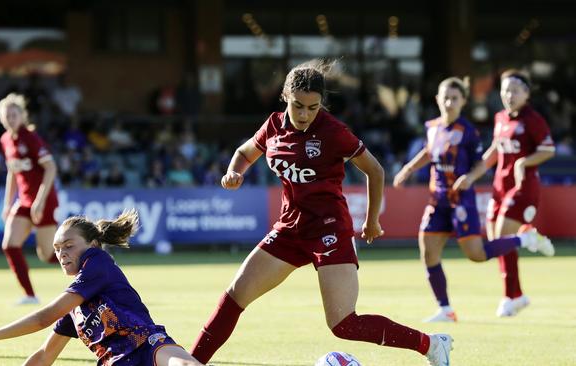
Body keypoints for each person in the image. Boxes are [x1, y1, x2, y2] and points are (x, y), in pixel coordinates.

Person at [189, 59, 453, 366]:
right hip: (290, 229)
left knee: (344, 324)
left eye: (313, 107)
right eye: (298, 106)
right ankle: (192, 362)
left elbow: (375, 171)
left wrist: (371, 221)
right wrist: (234, 173)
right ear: (285, 98)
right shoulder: (273, 125)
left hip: (330, 229)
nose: (304, 115)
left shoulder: (333, 131)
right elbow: (244, 153)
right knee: (235, 296)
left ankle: (433, 345)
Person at [393, 77, 554, 323]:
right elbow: (429, 151)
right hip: (437, 200)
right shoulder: (433, 126)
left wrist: (469, 178)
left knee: (476, 254)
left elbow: (482, 162)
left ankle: (524, 240)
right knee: (427, 251)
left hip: (461, 201)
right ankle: (446, 309)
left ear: (464, 101)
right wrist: (408, 168)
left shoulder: (468, 131)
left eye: (455, 98)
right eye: (444, 97)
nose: (449, 102)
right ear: (437, 99)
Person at [0, 210, 203, 366]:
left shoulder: (98, 262)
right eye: (57, 249)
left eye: (69, 246)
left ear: (93, 244)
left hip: (147, 344)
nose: (62, 254)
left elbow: (43, 317)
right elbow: (44, 357)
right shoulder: (74, 309)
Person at [453, 69, 556, 317]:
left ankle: (511, 296)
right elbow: (494, 152)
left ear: (526, 94)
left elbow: (548, 150)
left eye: (515, 90)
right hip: (500, 187)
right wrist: (471, 176)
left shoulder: (533, 119)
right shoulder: (500, 118)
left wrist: (523, 163)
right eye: (505, 90)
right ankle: (518, 288)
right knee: (495, 242)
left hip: (523, 187)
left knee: (501, 237)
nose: (509, 95)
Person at [0, 93, 59, 305]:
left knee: (49, 255)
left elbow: (51, 167)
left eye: (14, 114)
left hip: (44, 200)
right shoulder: (6, 140)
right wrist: (7, 203)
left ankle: (95, 259)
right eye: (6, 115)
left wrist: (40, 201)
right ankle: (30, 295)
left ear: (23, 116)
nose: (10, 119)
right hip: (23, 202)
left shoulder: (31, 138)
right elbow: (12, 173)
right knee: (10, 245)